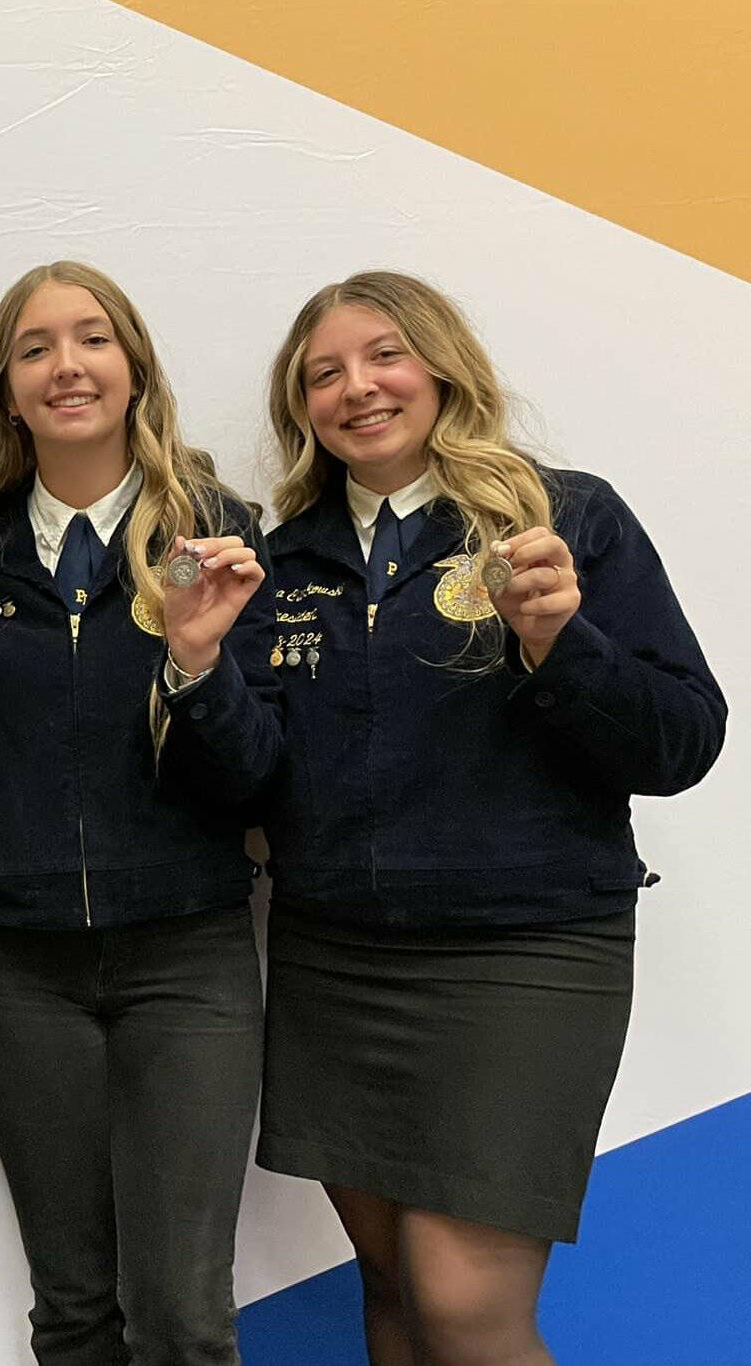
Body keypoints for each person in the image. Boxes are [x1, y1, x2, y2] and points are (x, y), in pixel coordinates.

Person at [255, 271, 724, 1366]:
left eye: (382, 356)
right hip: (334, 960)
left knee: (464, 1306)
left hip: (525, 956)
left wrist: (563, 646)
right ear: (300, 409)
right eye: (321, 373)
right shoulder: (283, 563)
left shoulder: (565, 520)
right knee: (390, 1289)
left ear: (441, 366)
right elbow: (251, 776)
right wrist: (189, 668)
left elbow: (681, 741)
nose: (355, 388)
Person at [0, 261, 279, 1365]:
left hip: (187, 960)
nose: (66, 364)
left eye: (92, 338)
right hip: (13, 970)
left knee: (181, 1314)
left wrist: (198, 663)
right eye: (34, 347)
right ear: (4, 389)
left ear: (133, 368)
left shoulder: (218, 538)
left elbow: (258, 785)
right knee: (69, 1307)